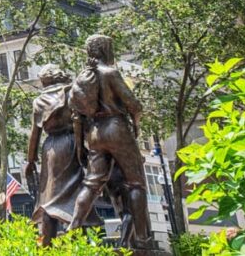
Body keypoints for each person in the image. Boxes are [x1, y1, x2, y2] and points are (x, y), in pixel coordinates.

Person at [68, 35, 153, 248]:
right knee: (136, 183)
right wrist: (136, 122)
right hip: (116, 127)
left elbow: (77, 113)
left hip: (95, 133)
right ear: (106, 50)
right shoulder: (110, 73)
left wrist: (81, 145)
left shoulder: (83, 77)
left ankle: (73, 226)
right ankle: (142, 240)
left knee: (92, 183)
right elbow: (134, 104)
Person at [24, 64, 100, 245]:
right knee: (75, 195)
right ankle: (77, 244)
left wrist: (30, 160)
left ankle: (47, 245)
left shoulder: (39, 101)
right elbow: (85, 120)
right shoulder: (71, 92)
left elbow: (35, 133)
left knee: (48, 199)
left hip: (50, 149)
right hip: (71, 143)